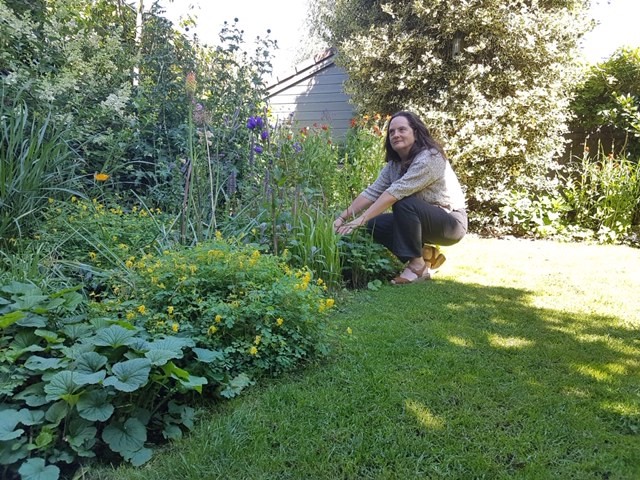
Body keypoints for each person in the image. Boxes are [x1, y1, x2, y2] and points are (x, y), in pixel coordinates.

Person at [334, 111, 467, 284]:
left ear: (415, 133)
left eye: (402, 130)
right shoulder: (394, 165)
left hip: (451, 223)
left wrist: (358, 220)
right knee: (375, 224)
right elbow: (372, 192)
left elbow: (394, 194)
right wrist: (342, 218)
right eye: (391, 132)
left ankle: (417, 267)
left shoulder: (430, 158)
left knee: (403, 202)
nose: (396, 134)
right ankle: (425, 254)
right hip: (423, 220)